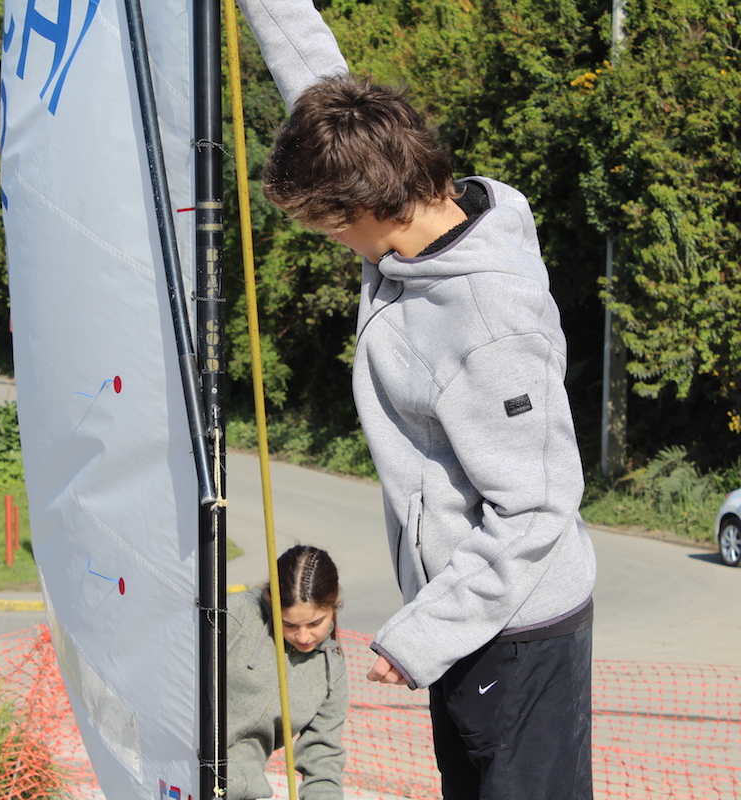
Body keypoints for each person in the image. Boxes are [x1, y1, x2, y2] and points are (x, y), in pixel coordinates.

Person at [236, 2, 598, 798]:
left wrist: (426, 634)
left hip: (517, 630)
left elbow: (538, 506)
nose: (334, 245)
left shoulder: (489, 320)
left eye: (330, 229)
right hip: (469, 619)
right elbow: (320, 82)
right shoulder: (409, 204)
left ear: (366, 208)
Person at [227, 544, 349, 800]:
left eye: (315, 623)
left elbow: (322, 761)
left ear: (334, 604)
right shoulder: (235, 616)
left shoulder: (331, 672)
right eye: (289, 624)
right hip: (185, 778)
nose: (303, 637)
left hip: (242, 793)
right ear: (271, 601)